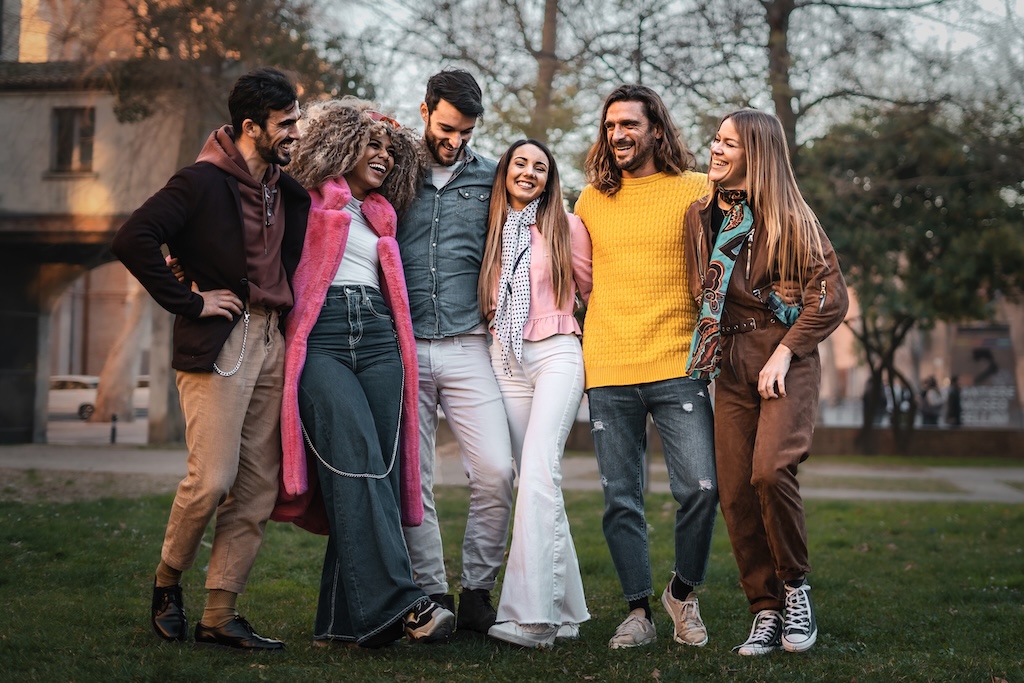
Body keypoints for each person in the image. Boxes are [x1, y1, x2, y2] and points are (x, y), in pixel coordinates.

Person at [112, 67, 309, 651]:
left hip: (273, 339)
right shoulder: (199, 182)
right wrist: (189, 300)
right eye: (287, 123)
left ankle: (220, 614)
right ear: (251, 126)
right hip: (222, 342)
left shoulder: (286, 187)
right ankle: (167, 582)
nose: (296, 131)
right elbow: (134, 238)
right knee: (212, 479)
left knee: (256, 487)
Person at [270, 99, 455, 647]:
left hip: (378, 340)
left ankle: (344, 622)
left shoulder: (381, 214)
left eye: (387, 149)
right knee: (353, 460)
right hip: (322, 338)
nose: (382, 156)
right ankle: (405, 602)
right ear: (340, 144)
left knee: (375, 469)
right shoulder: (300, 200)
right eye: (370, 144)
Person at [684, 109, 849, 655]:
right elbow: (697, 290)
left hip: (784, 358)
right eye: (716, 140)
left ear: (755, 153)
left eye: (728, 143)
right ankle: (766, 609)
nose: (716, 149)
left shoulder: (792, 216)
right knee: (732, 491)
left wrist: (784, 351)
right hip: (729, 362)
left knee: (770, 471)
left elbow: (829, 295)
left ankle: (795, 588)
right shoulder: (700, 216)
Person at [574, 84, 718, 650]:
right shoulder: (589, 200)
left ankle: (681, 594)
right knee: (621, 498)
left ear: (656, 128)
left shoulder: (699, 191)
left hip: (678, 362)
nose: (618, 136)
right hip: (608, 366)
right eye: (610, 126)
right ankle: (638, 611)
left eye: (629, 125)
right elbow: (572, 276)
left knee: (701, 488)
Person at [397, 69, 514, 635]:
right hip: (405, 345)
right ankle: (430, 593)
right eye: (447, 128)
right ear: (424, 111)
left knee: (495, 470)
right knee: (414, 478)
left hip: (471, 345)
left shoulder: (492, 177)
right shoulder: (393, 171)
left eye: (467, 131)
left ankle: (477, 592)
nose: (456, 140)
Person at [477, 139, 593, 648]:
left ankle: (532, 619)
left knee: (540, 474)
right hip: (505, 359)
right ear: (505, 171)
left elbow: (596, 290)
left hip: (556, 355)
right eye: (520, 163)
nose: (529, 173)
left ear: (550, 179)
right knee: (535, 478)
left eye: (540, 167)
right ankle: (566, 613)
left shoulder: (566, 226)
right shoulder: (492, 228)